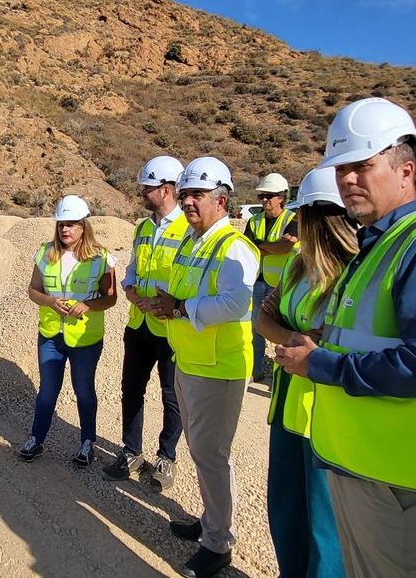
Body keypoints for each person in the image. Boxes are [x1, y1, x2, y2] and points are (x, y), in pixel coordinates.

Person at [274, 98, 416, 577]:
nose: (348, 179)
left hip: (406, 484)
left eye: (363, 165)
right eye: (343, 168)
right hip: (370, 469)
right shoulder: (377, 248)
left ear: (405, 169)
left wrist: (320, 365)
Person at [160, 156, 260, 578]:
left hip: (219, 367)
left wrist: (181, 307)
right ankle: (210, 520)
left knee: (212, 455)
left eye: (196, 195)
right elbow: (182, 289)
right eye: (184, 195)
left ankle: (218, 543)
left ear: (221, 200)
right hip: (190, 360)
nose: (187, 202)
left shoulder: (232, 246)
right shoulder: (192, 239)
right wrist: (164, 303)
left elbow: (237, 303)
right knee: (202, 452)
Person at [255, 166, 355, 578]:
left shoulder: (357, 269)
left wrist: (294, 341)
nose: (299, 225)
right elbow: (264, 315)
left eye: (305, 217)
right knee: (286, 510)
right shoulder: (299, 263)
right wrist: (295, 338)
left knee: (325, 528)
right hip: (288, 408)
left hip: (327, 417)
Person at [103, 155, 188, 491]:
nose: (141, 192)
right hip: (138, 324)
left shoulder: (188, 230)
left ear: (166, 190)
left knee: (172, 396)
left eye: (147, 187)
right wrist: (131, 292)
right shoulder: (141, 227)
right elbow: (132, 269)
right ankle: (131, 452)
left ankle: (166, 457)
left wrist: (170, 306)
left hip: (170, 329)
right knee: (131, 391)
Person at [18, 195, 118, 466]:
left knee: (83, 390)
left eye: (72, 224)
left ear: (84, 226)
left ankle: (87, 442)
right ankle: (36, 440)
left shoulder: (102, 258)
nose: (65, 229)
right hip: (51, 334)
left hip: (85, 337)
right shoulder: (44, 253)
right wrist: (50, 301)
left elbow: (111, 297)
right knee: (47, 390)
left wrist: (87, 305)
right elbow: (33, 291)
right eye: (62, 224)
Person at [247, 173, 298, 383]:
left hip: (283, 284)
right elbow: (248, 248)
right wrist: (273, 247)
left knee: (285, 332)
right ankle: (255, 371)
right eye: (262, 196)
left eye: (270, 196)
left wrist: (261, 245)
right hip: (258, 282)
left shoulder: (292, 220)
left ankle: (284, 375)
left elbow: (286, 247)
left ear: (282, 197)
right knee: (256, 328)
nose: (265, 200)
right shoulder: (254, 220)